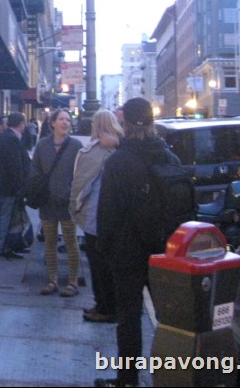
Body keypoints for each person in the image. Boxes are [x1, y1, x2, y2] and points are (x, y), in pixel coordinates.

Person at [95, 97, 181, 388]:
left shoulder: (119, 162)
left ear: (125, 124)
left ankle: (127, 379)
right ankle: (173, 376)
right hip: (165, 251)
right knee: (169, 320)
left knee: (129, 320)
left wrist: (106, 250)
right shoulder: (169, 156)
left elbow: (106, 214)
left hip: (128, 253)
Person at [70, 109, 123, 323]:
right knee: (105, 266)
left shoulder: (94, 151)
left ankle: (105, 306)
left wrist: (75, 207)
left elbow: (81, 183)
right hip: (114, 218)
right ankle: (103, 304)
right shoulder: (120, 149)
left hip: (95, 217)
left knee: (98, 266)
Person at [32, 108, 83, 296]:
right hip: (47, 202)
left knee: (71, 242)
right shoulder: (42, 145)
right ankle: (52, 280)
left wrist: (73, 194)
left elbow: (81, 174)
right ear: (52, 123)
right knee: (50, 243)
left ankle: (72, 281)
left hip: (68, 204)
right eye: (61, 119)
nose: (65, 123)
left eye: (68, 120)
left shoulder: (76, 146)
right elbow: (35, 169)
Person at [0, 112, 31, 259]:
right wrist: (19, 187)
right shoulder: (11, 139)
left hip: (4, 186)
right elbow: (16, 166)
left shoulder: (6, 137)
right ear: (21, 123)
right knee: (6, 218)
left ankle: (8, 244)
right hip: (9, 188)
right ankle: (3, 247)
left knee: (5, 216)